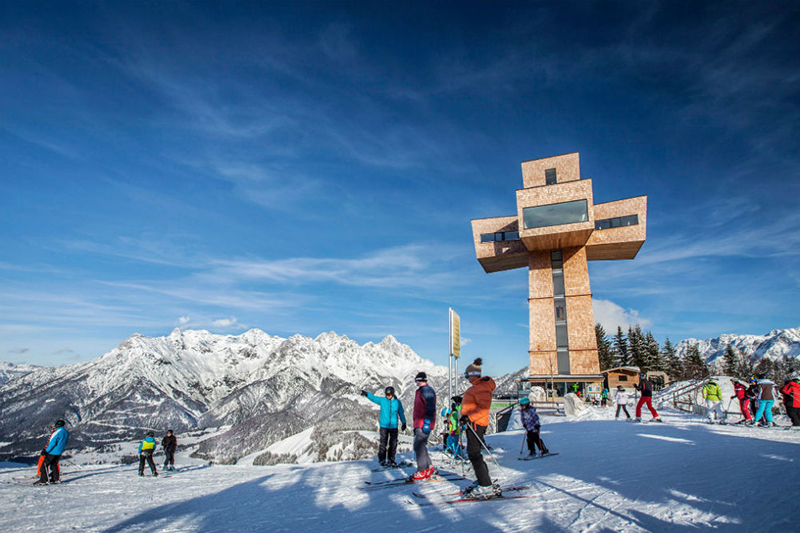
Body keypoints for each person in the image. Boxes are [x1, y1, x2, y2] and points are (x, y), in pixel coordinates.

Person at [458, 358, 500, 499]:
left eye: (467, 374)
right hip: (474, 423)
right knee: (475, 454)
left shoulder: (481, 387)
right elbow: (473, 402)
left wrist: (469, 417)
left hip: (476, 424)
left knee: (474, 454)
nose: (466, 377)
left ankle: (485, 486)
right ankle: (484, 480)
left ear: (473, 374)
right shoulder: (478, 386)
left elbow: (483, 408)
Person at [361, 386, 407, 467]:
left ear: (392, 394)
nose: (387, 396)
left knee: (393, 444)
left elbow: (401, 413)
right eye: (386, 394)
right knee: (383, 444)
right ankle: (382, 460)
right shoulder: (382, 400)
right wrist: (367, 394)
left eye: (388, 394)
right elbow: (374, 398)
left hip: (393, 427)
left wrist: (404, 423)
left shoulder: (397, 402)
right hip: (384, 426)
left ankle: (391, 459)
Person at [409, 372, 436, 481]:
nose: (416, 382)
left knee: (418, 446)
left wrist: (427, 422)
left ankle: (422, 470)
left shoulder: (426, 390)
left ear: (419, 380)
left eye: (416, 380)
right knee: (421, 446)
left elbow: (430, 407)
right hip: (420, 423)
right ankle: (428, 467)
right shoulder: (422, 390)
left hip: (423, 423)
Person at [36, 419, 69, 485]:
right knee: (54, 465)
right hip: (59, 452)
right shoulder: (66, 432)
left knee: (44, 465)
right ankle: (55, 479)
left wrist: (46, 451)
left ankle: (44, 480)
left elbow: (52, 443)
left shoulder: (57, 432)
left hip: (52, 452)